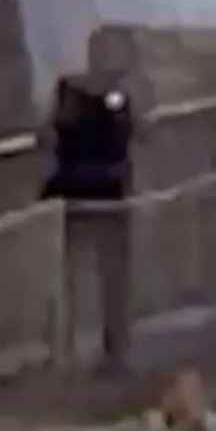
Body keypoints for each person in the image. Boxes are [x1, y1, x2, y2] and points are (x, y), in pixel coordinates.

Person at [42, 32, 141, 371]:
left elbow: (52, 134)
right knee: (94, 275)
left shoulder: (75, 93)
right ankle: (88, 348)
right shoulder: (89, 94)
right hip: (96, 193)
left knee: (99, 276)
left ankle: (94, 348)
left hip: (93, 193)